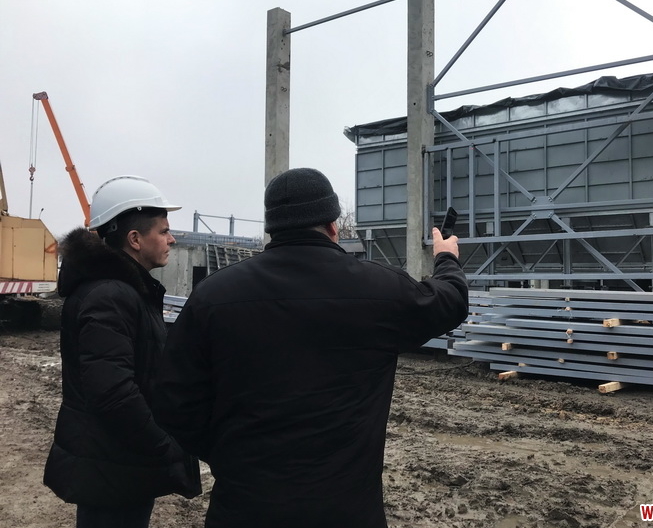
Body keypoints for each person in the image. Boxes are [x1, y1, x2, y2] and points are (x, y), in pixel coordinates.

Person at [152, 167, 469, 528]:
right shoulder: (378, 288)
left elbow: (173, 401)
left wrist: (224, 452)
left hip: (245, 507)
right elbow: (451, 302)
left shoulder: (213, 296)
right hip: (347, 511)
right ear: (333, 226)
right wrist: (446, 257)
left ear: (272, 228)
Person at [43, 175, 201, 528]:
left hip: (119, 461)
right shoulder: (110, 297)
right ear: (134, 239)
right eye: (163, 231)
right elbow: (113, 394)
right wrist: (165, 446)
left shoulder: (123, 291)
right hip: (112, 466)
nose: (172, 239)